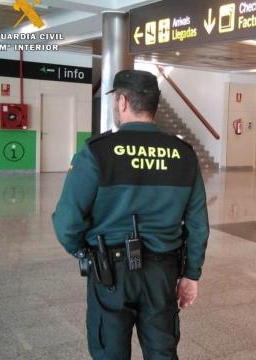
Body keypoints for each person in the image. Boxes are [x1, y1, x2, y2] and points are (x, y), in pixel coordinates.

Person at [52, 69, 209, 359]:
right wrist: (191, 274)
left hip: (110, 271)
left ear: (122, 101)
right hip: (163, 272)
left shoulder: (97, 151)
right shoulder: (184, 154)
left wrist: (83, 252)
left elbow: (67, 221)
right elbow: (198, 223)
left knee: (109, 352)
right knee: (162, 352)